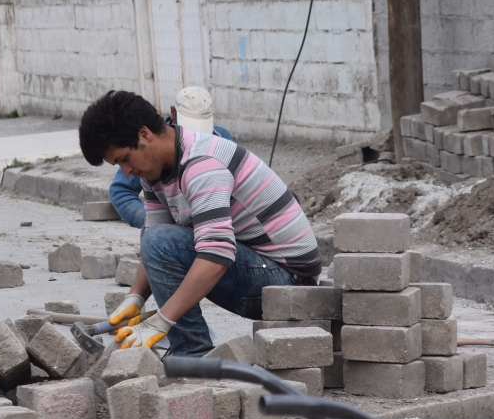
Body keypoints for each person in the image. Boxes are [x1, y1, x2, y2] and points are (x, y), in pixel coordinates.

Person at [78, 90, 322, 356]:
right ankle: (188, 350)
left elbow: (216, 253)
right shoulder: (155, 171)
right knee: (154, 233)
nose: (126, 171)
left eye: (124, 159)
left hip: (290, 286)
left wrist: (162, 321)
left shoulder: (201, 163)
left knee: (162, 243)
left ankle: (191, 353)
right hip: (263, 270)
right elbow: (154, 233)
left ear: (145, 134)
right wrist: (135, 298)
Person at [108, 87, 232, 228]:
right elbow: (121, 191)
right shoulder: (150, 148)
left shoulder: (222, 139)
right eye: (188, 130)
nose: (193, 141)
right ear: (173, 113)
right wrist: (147, 219)